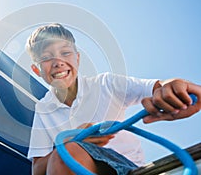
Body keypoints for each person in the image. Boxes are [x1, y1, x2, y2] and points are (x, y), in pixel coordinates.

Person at [26, 23, 201, 175]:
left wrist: (175, 87)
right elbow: (38, 169)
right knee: (66, 153)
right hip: (74, 164)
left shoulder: (106, 84)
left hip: (128, 168)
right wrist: (69, 141)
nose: (58, 62)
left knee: (67, 154)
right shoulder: (43, 109)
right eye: (47, 58)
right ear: (36, 70)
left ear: (77, 59)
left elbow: (157, 86)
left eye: (65, 53)